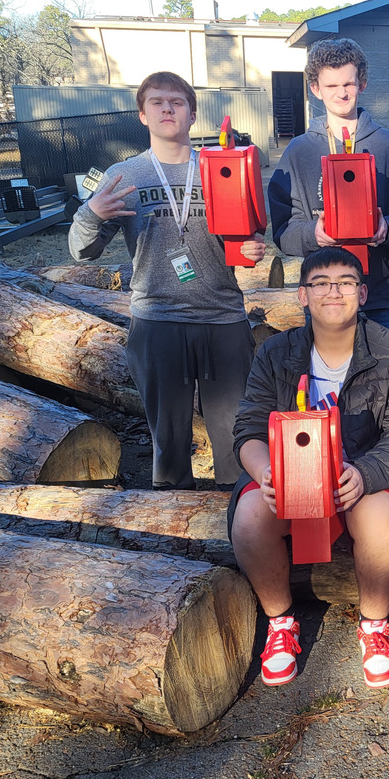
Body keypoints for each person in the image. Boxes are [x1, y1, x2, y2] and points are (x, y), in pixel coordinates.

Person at [228, 247, 389, 689]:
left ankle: (375, 626)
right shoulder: (275, 353)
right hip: (292, 476)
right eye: (320, 283)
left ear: (362, 293)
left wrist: (364, 474)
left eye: (344, 282)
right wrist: (268, 472)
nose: (332, 292)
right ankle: (280, 622)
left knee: (376, 514)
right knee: (249, 517)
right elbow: (248, 429)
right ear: (303, 296)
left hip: (367, 474)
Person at [68, 71, 264, 490]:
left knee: (237, 438)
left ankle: (237, 527)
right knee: (169, 443)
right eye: (157, 102)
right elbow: (82, 252)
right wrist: (90, 215)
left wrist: (251, 249)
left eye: (177, 102)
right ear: (142, 115)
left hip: (223, 317)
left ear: (192, 114)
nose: (167, 108)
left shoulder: (221, 167)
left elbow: (246, 238)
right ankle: (172, 534)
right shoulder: (122, 176)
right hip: (158, 320)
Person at [268, 38, 389, 335]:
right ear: (315, 89)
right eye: (331, 86)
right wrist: (313, 233)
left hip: (381, 297)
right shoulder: (299, 152)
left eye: (348, 84)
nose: (341, 93)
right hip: (324, 297)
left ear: (362, 83)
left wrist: (386, 229)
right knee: (330, 380)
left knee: (383, 380)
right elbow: (282, 231)